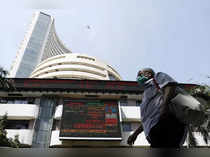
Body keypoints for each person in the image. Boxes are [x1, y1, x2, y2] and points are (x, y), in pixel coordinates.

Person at [127, 68, 187, 148]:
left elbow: (170, 86)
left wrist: (164, 107)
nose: (138, 78)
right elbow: (147, 120)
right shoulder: (145, 94)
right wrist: (135, 134)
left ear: (148, 74)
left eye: (140, 75)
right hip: (155, 131)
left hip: (166, 122)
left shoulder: (158, 76)